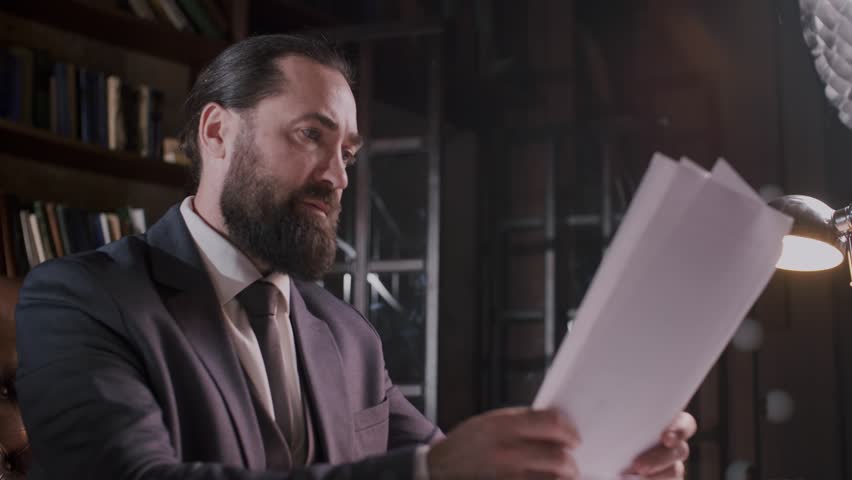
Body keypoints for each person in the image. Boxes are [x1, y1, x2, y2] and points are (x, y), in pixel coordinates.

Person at [15, 34, 695, 479]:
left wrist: (598, 464)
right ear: (218, 132)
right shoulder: (78, 301)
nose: (337, 177)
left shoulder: (348, 339)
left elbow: (462, 468)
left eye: (346, 153)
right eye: (311, 135)